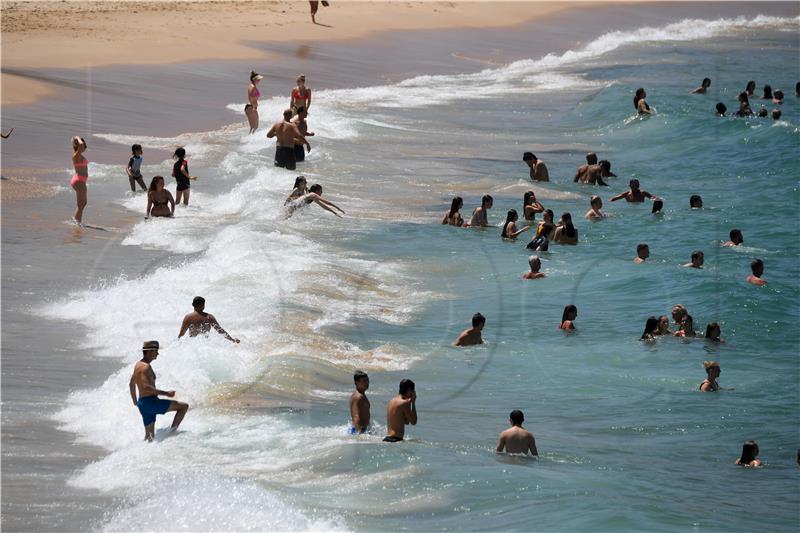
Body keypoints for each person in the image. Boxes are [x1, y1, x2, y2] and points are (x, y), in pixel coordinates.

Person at [129, 341, 189, 442]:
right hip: (151, 402)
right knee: (183, 407)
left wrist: (135, 402)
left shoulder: (138, 365)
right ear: (149, 352)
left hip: (143, 403)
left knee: (149, 437)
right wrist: (166, 393)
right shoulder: (145, 367)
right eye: (156, 351)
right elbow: (146, 387)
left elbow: (131, 384)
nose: (158, 353)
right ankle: (171, 436)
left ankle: (143, 453)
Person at [70, 136, 89, 224]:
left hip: (81, 181)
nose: (85, 146)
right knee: (81, 204)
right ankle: (76, 222)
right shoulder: (76, 156)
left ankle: (77, 221)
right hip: (79, 181)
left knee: (83, 203)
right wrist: (77, 137)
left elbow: (81, 145)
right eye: (84, 144)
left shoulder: (79, 155)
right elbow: (80, 145)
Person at [349, 370, 370, 434]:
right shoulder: (358, 397)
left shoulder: (360, 394)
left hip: (360, 429)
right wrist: (359, 435)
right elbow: (356, 416)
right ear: (356, 382)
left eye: (367, 380)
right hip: (359, 430)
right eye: (364, 381)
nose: (367, 383)